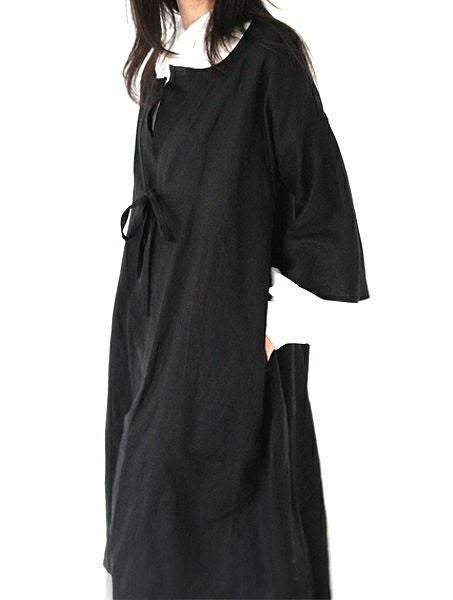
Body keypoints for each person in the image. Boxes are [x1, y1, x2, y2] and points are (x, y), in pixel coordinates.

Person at [103, 1, 369, 598]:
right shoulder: (163, 62)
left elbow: (323, 209)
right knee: (149, 530)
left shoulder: (267, 57)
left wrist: (269, 327)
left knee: (237, 546)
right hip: (151, 334)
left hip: (228, 342)